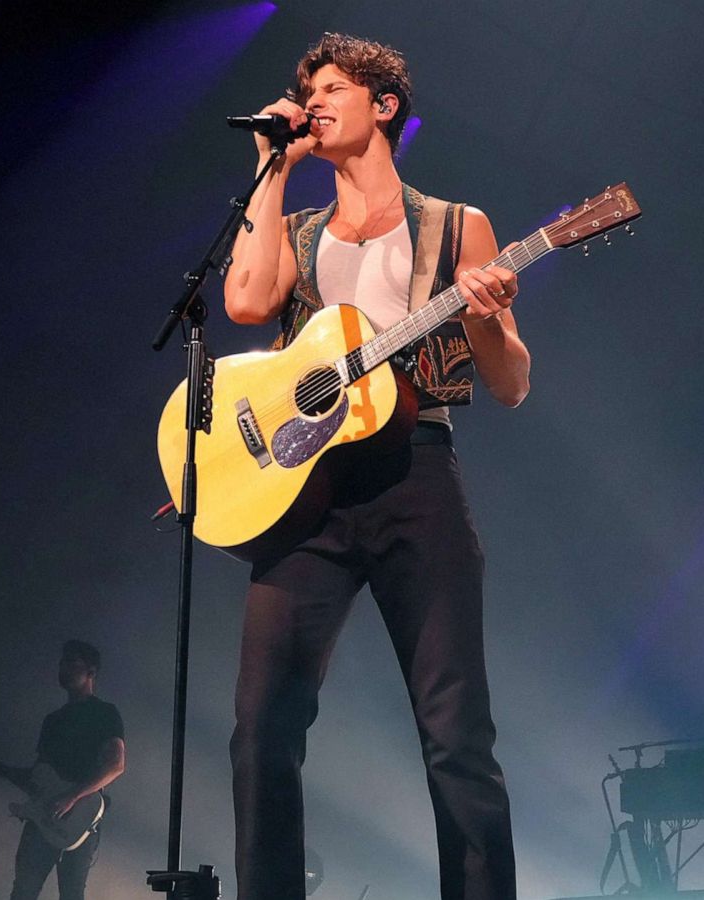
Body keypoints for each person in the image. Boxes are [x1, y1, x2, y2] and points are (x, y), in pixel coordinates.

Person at [222, 33, 530, 900]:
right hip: (307, 493)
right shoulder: (295, 223)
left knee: (454, 728)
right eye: (304, 91)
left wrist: (482, 321)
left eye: (330, 88)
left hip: (414, 475)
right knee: (261, 726)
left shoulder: (456, 226)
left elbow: (510, 384)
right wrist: (270, 166)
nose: (311, 102)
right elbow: (245, 302)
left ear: (382, 105)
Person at [5, 639, 127, 900]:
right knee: (23, 891)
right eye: (62, 663)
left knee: (71, 895)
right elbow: (40, 773)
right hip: (43, 817)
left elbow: (116, 765)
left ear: (91, 672)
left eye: (72, 663)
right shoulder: (53, 720)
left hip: (81, 820)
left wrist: (72, 797)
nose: (64, 668)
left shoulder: (104, 713)